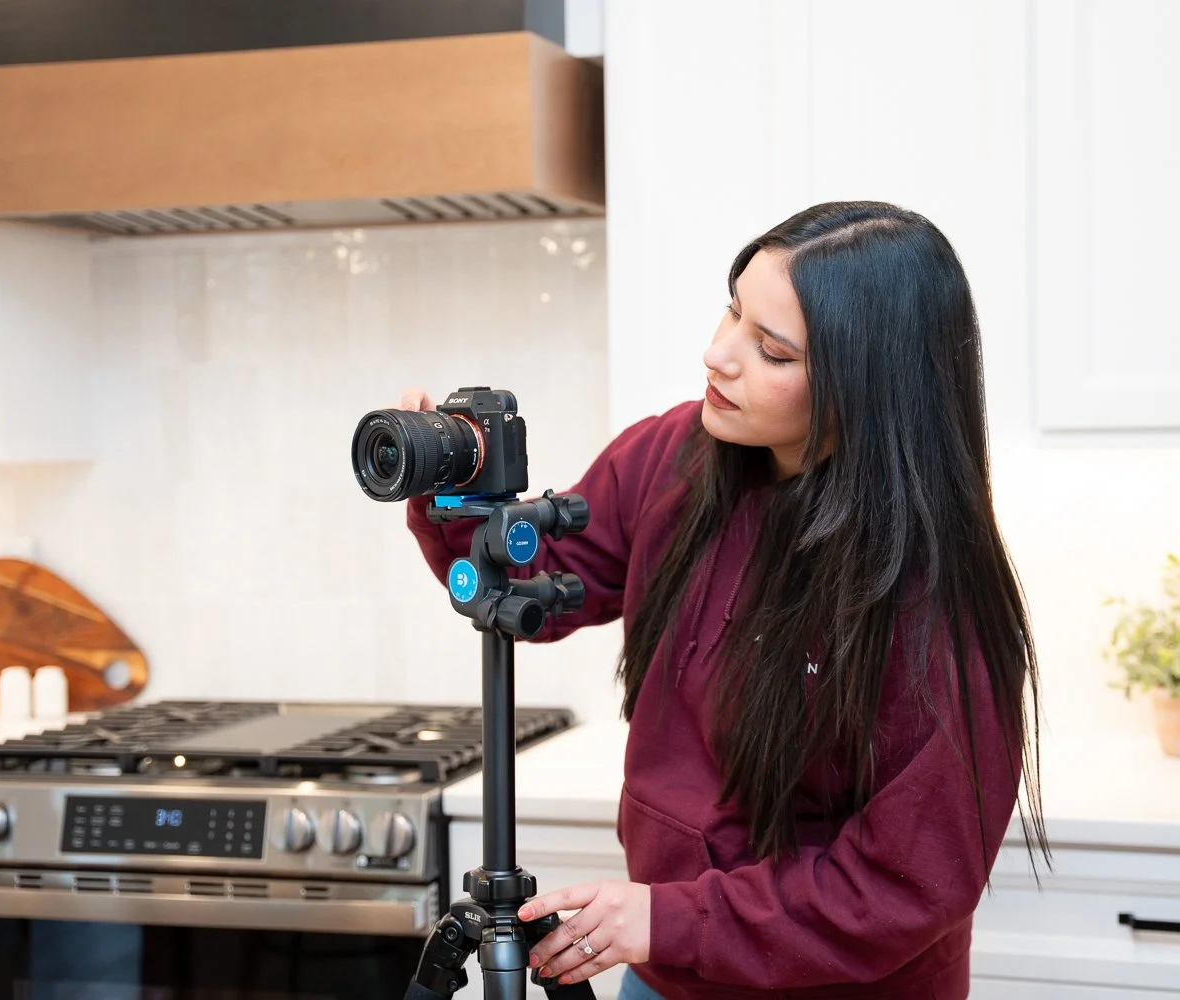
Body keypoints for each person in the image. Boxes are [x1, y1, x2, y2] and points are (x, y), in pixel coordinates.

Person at [403, 201, 1049, 1000]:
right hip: (671, 974)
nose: (718, 353)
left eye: (771, 350)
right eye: (733, 310)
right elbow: (539, 585)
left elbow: (901, 889)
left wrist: (672, 921)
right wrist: (455, 495)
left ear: (870, 390)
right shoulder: (677, 456)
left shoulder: (931, 603)